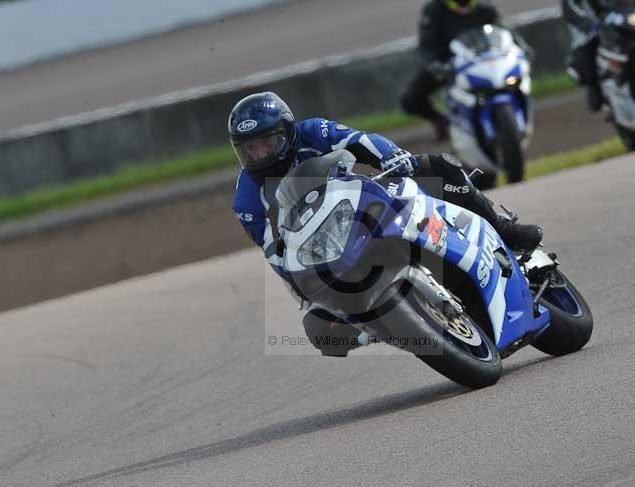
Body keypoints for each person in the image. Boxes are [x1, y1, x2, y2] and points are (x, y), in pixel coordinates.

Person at [230, 91, 542, 356]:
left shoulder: (312, 131)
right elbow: (272, 248)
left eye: (268, 142)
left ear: (287, 132)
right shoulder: (246, 199)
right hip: (326, 248)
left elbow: (358, 140)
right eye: (250, 149)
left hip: (364, 204)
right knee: (321, 330)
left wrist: (393, 156)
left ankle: (504, 230)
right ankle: (381, 323)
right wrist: (302, 286)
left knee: (441, 166)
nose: (260, 155)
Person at [400, 0, 508, 140]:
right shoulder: (434, 10)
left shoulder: (485, 7)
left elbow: (504, 33)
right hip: (449, 66)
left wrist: (522, 48)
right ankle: (441, 122)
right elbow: (426, 46)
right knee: (410, 99)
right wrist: (434, 65)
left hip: (486, 62)